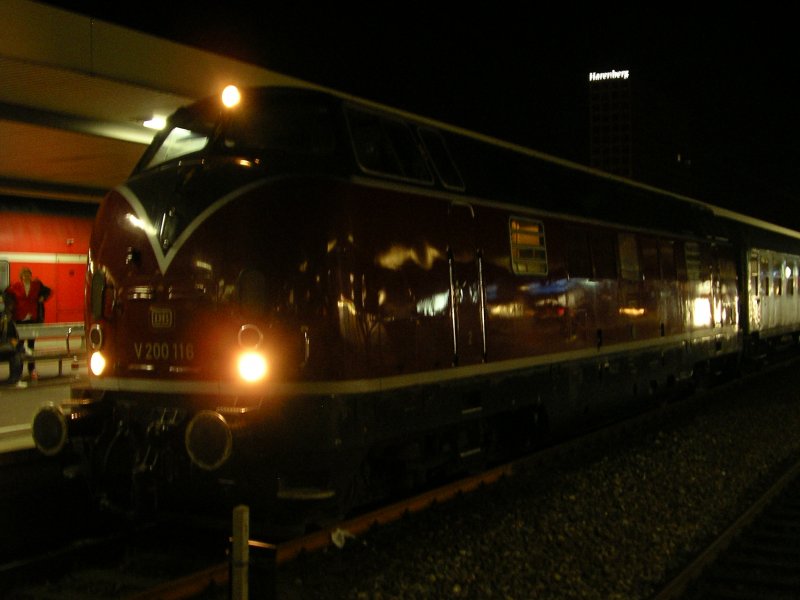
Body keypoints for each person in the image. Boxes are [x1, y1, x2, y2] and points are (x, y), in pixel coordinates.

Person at [3, 267, 51, 382]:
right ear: (21, 276)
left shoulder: (37, 285)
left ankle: (32, 370)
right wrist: (10, 307)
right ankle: (17, 371)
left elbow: (48, 291)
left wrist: (42, 298)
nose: (27, 276)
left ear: (31, 275)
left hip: (32, 319)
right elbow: (6, 295)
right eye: (24, 275)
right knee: (18, 347)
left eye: (28, 274)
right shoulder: (15, 286)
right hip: (19, 319)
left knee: (31, 346)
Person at [0, 307, 25, 387]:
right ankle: (14, 379)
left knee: (16, 353)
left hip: (4, 350)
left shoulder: (8, 322)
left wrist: (14, 344)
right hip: (3, 349)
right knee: (15, 352)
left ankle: (14, 379)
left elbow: (14, 338)